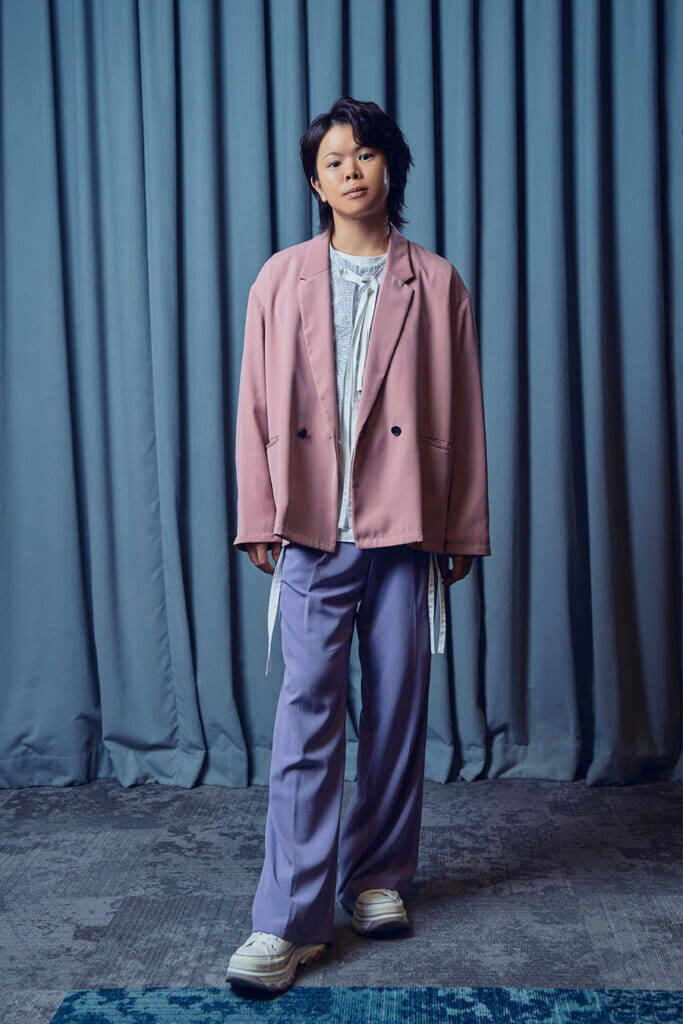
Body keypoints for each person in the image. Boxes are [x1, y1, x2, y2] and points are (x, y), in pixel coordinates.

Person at [226, 97, 491, 993]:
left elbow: (462, 412)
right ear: (315, 180)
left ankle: (378, 878)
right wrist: (258, 514)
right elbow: (253, 404)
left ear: (391, 169)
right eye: (334, 159)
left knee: (397, 709)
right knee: (307, 713)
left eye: (366, 154)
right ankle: (287, 921)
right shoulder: (280, 278)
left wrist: (460, 526)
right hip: (311, 526)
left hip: (406, 525)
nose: (351, 169)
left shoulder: (437, 282)